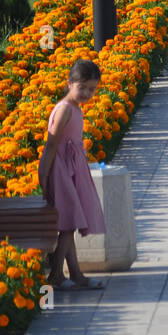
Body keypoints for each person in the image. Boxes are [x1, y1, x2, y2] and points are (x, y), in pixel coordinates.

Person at [38, 59, 107, 290]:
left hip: (72, 171)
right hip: (60, 172)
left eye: (92, 89)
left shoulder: (75, 109)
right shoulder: (65, 109)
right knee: (68, 224)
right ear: (69, 84)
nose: (87, 92)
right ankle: (56, 274)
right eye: (83, 87)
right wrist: (44, 177)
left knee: (72, 222)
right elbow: (51, 146)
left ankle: (75, 274)